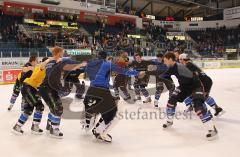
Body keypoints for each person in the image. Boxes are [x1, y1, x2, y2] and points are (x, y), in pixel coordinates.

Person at [83, 51, 144, 142]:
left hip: (91, 90)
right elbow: (123, 71)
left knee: (95, 108)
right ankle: (99, 131)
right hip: (102, 91)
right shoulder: (107, 64)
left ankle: (87, 123)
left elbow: (88, 75)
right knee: (113, 112)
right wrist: (137, 73)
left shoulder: (90, 64)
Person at [159, 52, 218, 140]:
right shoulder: (172, 67)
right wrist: (146, 73)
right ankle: (169, 121)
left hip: (195, 87)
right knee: (171, 101)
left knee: (198, 107)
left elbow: (194, 78)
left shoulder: (180, 67)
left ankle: (212, 129)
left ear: (171, 59)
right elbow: (162, 75)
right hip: (184, 87)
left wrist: (201, 92)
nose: (164, 63)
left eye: (165, 61)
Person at [39, 46, 86, 138]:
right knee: (58, 108)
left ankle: (50, 125)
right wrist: (82, 63)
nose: (63, 54)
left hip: (48, 88)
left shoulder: (51, 62)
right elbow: (69, 63)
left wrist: (81, 64)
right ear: (58, 53)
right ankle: (54, 129)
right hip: (48, 89)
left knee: (54, 108)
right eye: (62, 52)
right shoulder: (56, 61)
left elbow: (69, 67)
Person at [13, 57, 50, 135]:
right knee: (40, 106)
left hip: (30, 88)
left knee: (28, 109)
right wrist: (50, 59)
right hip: (28, 88)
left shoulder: (41, 69)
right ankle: (35, 127)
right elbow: (42, 64)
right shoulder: (41, 67)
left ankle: (17, 126)